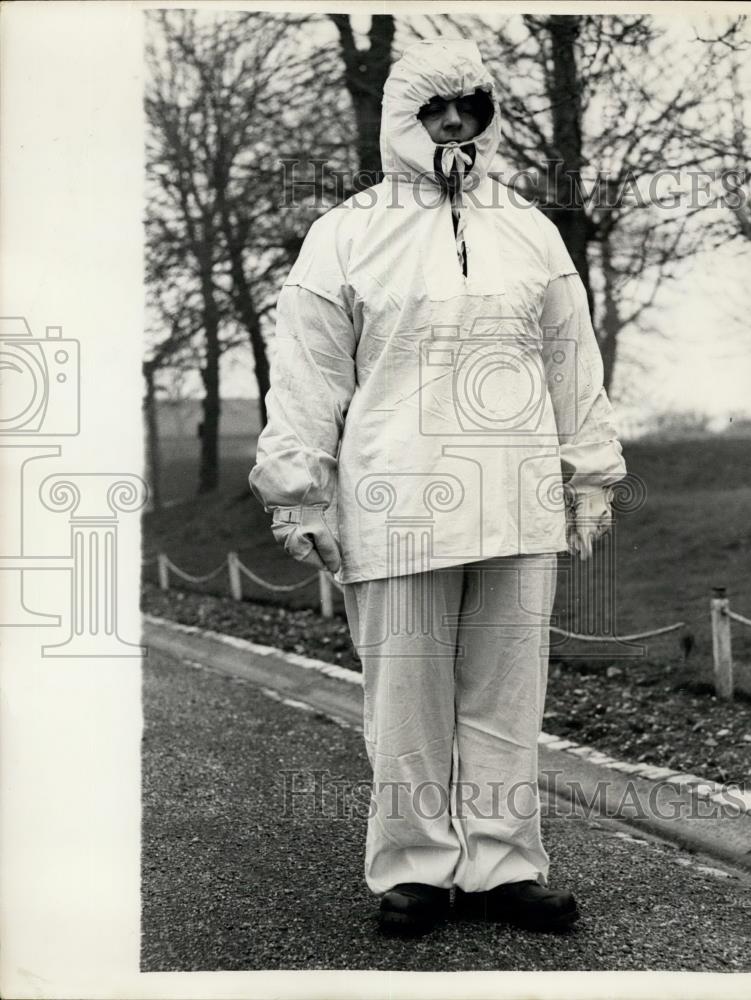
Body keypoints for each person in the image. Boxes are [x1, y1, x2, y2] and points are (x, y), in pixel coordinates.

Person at [249, 39, 626, 936]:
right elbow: (307, 374)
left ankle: (503, 863)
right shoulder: (345, 233)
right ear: (399, 118)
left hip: (514, 492)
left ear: (489, 115)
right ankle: (415, 865)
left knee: (506, 695)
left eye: (469, 105)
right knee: (406, 698)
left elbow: (572, 360)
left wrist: (590, 474)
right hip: (398, 499)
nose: (453, 122)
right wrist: (299, 491)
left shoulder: (529, 229)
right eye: (433, 107)